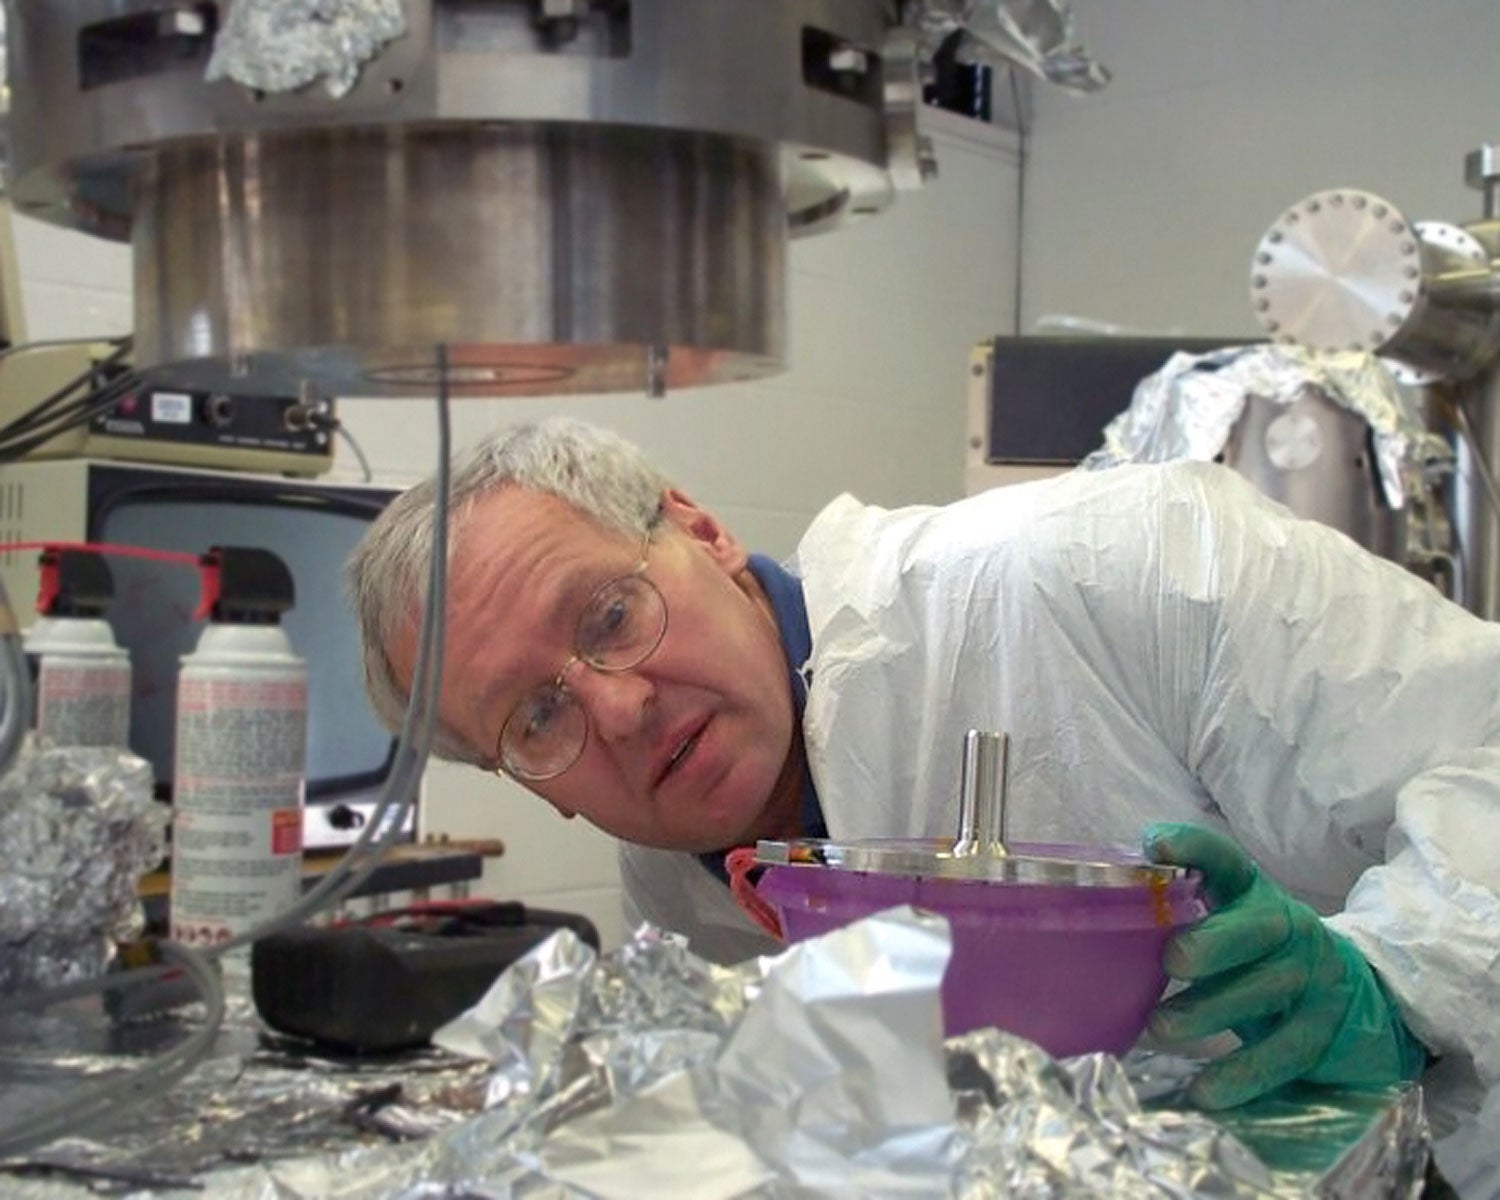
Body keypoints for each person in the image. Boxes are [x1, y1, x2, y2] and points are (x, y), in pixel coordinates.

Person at [348, 416, 1500, 1195]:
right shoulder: (676, 877)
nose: (621, 709)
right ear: (519, 784)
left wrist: (1392, 984)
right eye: (536, 719)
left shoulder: (1114, 566)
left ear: (701, 531)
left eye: (606, 615)